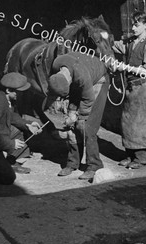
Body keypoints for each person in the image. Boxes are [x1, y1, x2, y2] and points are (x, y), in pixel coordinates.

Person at [46, 51, 109, 180]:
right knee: (71, 127)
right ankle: (73, 163)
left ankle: (94, 165)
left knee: (86, 126)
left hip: (98, 81)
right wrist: (70, 113)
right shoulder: (56, 67)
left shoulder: (81, 77)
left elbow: (88, 99)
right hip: (76, 82)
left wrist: (77, 115)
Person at [0, 72, 41, 185]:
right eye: (19, 92)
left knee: (22, 129)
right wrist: (10, 144)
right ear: (9, 90)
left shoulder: (3, 96)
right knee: (8, 177)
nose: (21, 94)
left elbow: (10, 115)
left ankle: (10, 162)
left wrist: (27, 124)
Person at [113, 11, 146, 169]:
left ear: (145, 26)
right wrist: (103, 35)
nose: (132, 28)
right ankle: (130, 155)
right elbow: (114, 44)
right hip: (130, 87)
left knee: (140, 123)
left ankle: (141, 159)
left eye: (136, 25)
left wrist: (124, 67)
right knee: (127, 122)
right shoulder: (130, 42)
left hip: (142, 88)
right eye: (132, 24)